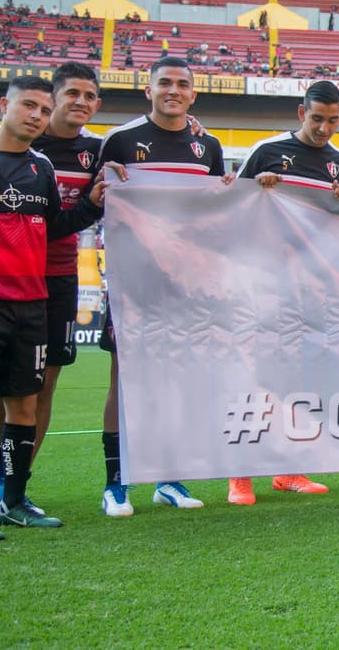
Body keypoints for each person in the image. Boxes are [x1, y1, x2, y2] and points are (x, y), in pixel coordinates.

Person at [0, 76, 106, 541]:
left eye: (43, 110)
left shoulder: (41, 167)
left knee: (24, 405)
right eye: (28, 105)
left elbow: (53, 228)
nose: (36, 116)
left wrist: (90, 206)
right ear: (3, 104)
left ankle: (13, 501)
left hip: (33, 304)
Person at [96, 57, 232, 517]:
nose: (173, 91)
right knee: (123, 380)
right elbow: (103, 206)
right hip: (133, 283)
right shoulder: (120, 139)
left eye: (182, 85)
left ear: (193, 95)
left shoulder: (207, 144)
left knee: (178, 381)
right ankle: (116, 483)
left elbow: (217, 214)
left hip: (186, 286)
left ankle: (168, 479)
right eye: (165, 83)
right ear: (148, 90)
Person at [0, 64, 108, 515]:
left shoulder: (98, 149)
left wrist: (192, 124)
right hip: (7, 278)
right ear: (53, 97)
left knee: (43, 387)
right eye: (71, 93)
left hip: (60, 279)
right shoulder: (22, 142)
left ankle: (16, 485)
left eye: (89, 96)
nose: (80, 103)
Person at [226, 81, 339, 505]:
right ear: (301, 113)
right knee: (253, 381)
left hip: (310, 289)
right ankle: (240, 476)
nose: (323, 128)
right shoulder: (267, 152)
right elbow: (229, 207)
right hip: (262, 283)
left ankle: (289, 471)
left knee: (298, 380)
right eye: (317, 118)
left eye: (332, 120)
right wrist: (256, 190)